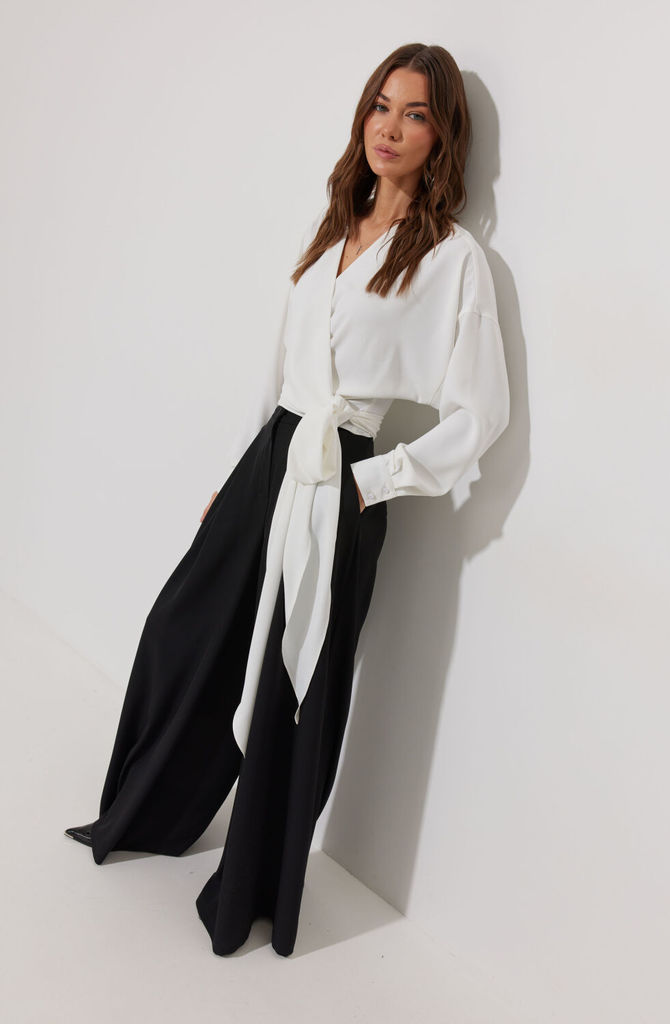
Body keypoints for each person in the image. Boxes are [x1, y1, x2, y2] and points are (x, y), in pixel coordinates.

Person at [64, 42, 511, 958]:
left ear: (442, 136)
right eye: (381, 106)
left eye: (416, 114)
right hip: (274, 455)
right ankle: (151, 812)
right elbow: (277, 367)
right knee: (183, 628)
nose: (390, 128)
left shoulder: (453, 258)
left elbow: (482, 412)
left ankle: (253, 890)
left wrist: (377, 481)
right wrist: (236, 475)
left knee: (293, 687)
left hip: (345, 473)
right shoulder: (334, 221)